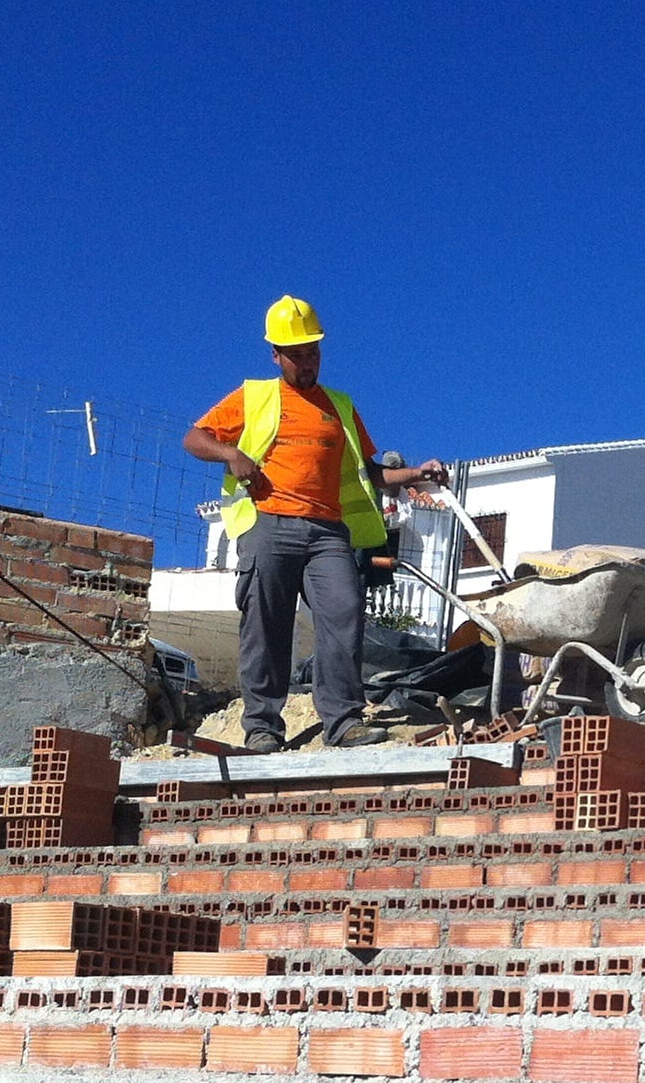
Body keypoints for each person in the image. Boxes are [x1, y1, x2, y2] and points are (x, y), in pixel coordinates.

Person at [183, 295, 447, 752]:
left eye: (314, 352)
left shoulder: (339, 405)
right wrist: (232, 454)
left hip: (328, 533)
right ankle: (263, 726)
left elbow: (370, 471)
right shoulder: (256, 395)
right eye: (298, 355)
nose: (308, 363)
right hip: (269, 524)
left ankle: (343, 721)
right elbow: (194, 437)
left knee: (344, 613)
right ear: (276, 355)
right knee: (266, 625)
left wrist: (417, 473)